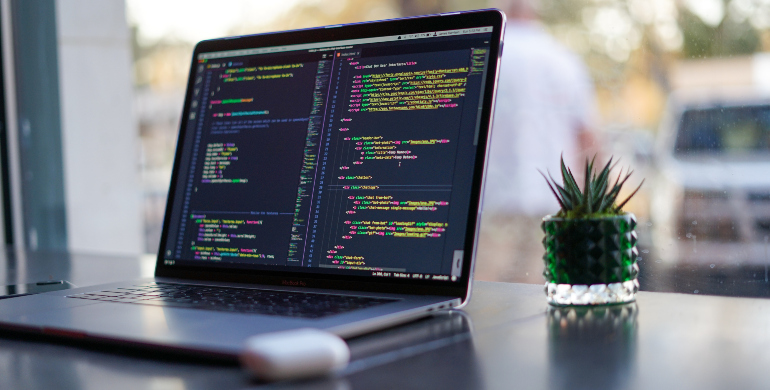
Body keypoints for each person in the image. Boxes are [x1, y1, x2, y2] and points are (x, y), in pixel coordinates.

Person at [475, 0, 597, 283]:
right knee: (540, 307)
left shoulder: (486, 55)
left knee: (487, 309)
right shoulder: (564, 60)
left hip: (492, 207)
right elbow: (589, 142)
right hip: (552, 208)